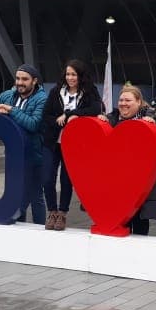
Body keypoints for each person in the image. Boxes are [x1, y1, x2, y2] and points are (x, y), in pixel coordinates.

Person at [41, 59, 102, 231]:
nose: (70, 78)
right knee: (47, 177)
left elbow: (95, 109)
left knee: (66, 179)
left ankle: (62, 213)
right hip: (52, 142)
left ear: (80, 76)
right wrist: (58, 121)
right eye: (68, 74)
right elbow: (46, 116)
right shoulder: (56, 91)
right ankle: (52, 211)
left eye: (74, 74)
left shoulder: (89, 91)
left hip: (74, 144)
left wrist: (71, 114)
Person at [101, 85, 156, 235]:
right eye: (121, 100)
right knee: (119, 223)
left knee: (139, 223)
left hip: (141, 182)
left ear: (139, 102)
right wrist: (102, 122)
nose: (123, 103)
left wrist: (153, 126)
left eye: (128, 100)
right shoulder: (111, 119)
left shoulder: (150, 118)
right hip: (118, 183)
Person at [0, 65, 47, 224]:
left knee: (36, 196)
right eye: (18, 78)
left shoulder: (42, 99)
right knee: (16, 195)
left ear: (34, 81)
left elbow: (33, 124)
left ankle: (40, 229)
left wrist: (11, 110)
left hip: (35, 155)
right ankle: (19, 227)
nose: (20, 82)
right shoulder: (8, 95)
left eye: (25, 79)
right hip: (13, 155)